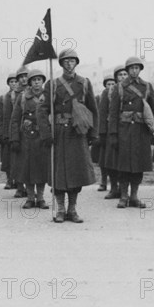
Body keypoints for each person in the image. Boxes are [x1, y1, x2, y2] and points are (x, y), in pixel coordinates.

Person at [37, 49, 98, 223]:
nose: (69, 64)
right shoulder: (53, 84)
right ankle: (60, 210)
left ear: (76, 63)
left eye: (72, 61)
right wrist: (46, 133)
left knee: (76, 172)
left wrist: (93, 133)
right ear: (61, 64)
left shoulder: (84, 83)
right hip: (59, 133)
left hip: (77, 133)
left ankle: (72, 209)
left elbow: (93, 109)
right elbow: (42, 110)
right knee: (59, 174)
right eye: (66, 61)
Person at [108, 56, 154, 208]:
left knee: (138, 165)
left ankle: (134, 196)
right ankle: (123, 196)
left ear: (140, 69)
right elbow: (113, 113)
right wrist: (113, 134)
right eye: (131, 68)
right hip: (124, 130)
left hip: (141, 131)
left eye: (137, 68)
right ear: (127, 70)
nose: (134, 70)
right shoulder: (119, 87)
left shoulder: (147, 87)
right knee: (124, 165)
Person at [10, 69, 50, 209]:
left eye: (39, 79)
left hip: (43, 137)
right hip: (26, 137)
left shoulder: (49, 96)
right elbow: (15, 119)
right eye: (34, 80)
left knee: (41, 168)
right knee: (27, 169)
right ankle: (30, 197)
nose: (37, 82)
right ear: (30, 82)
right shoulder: (22, 97)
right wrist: (14, 138)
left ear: (43, 81)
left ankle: (40, 198)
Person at [102, 65, 128, 200]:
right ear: (116, 77)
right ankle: (113, 188)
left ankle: (124, 189)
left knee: (124, 161)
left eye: (125, 74)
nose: (123, 77)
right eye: (120, 75)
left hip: (127, 130)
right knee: (111, 162)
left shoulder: (130, 90)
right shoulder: (109, 91)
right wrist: (102, 133)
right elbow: (103, 113)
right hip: (111, 130)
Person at [9, 66, 30, 198]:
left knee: (29, 161)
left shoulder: (35, 91)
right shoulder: (14, 94)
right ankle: (19, 186)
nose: (23, 79)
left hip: (31, 130)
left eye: (25, 76)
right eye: (21, 77)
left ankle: (30, 188)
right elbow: (10, 117)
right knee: (17, 161)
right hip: (17, 129)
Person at [0, 73, 18, 189]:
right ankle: (9, 179)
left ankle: (19, 182)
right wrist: (0, 134)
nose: (14, 84)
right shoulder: (3, 99)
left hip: (19, 133)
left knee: (19, 159)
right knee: (7, 159)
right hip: (6, 134)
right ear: (8, 84)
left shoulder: (22, 97)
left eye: (16, 81)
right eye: (11, 82)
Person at [94, 74, 115, 191]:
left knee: (112, 158)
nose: (111, 86)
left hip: (114, 130)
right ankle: (103, 182)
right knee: (102, 158)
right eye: (108, 84)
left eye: (113, 84)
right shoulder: (100, 97)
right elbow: (97, 115)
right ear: (105, 85)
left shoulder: (118, 95)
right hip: (103, 130)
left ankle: (113, 183)